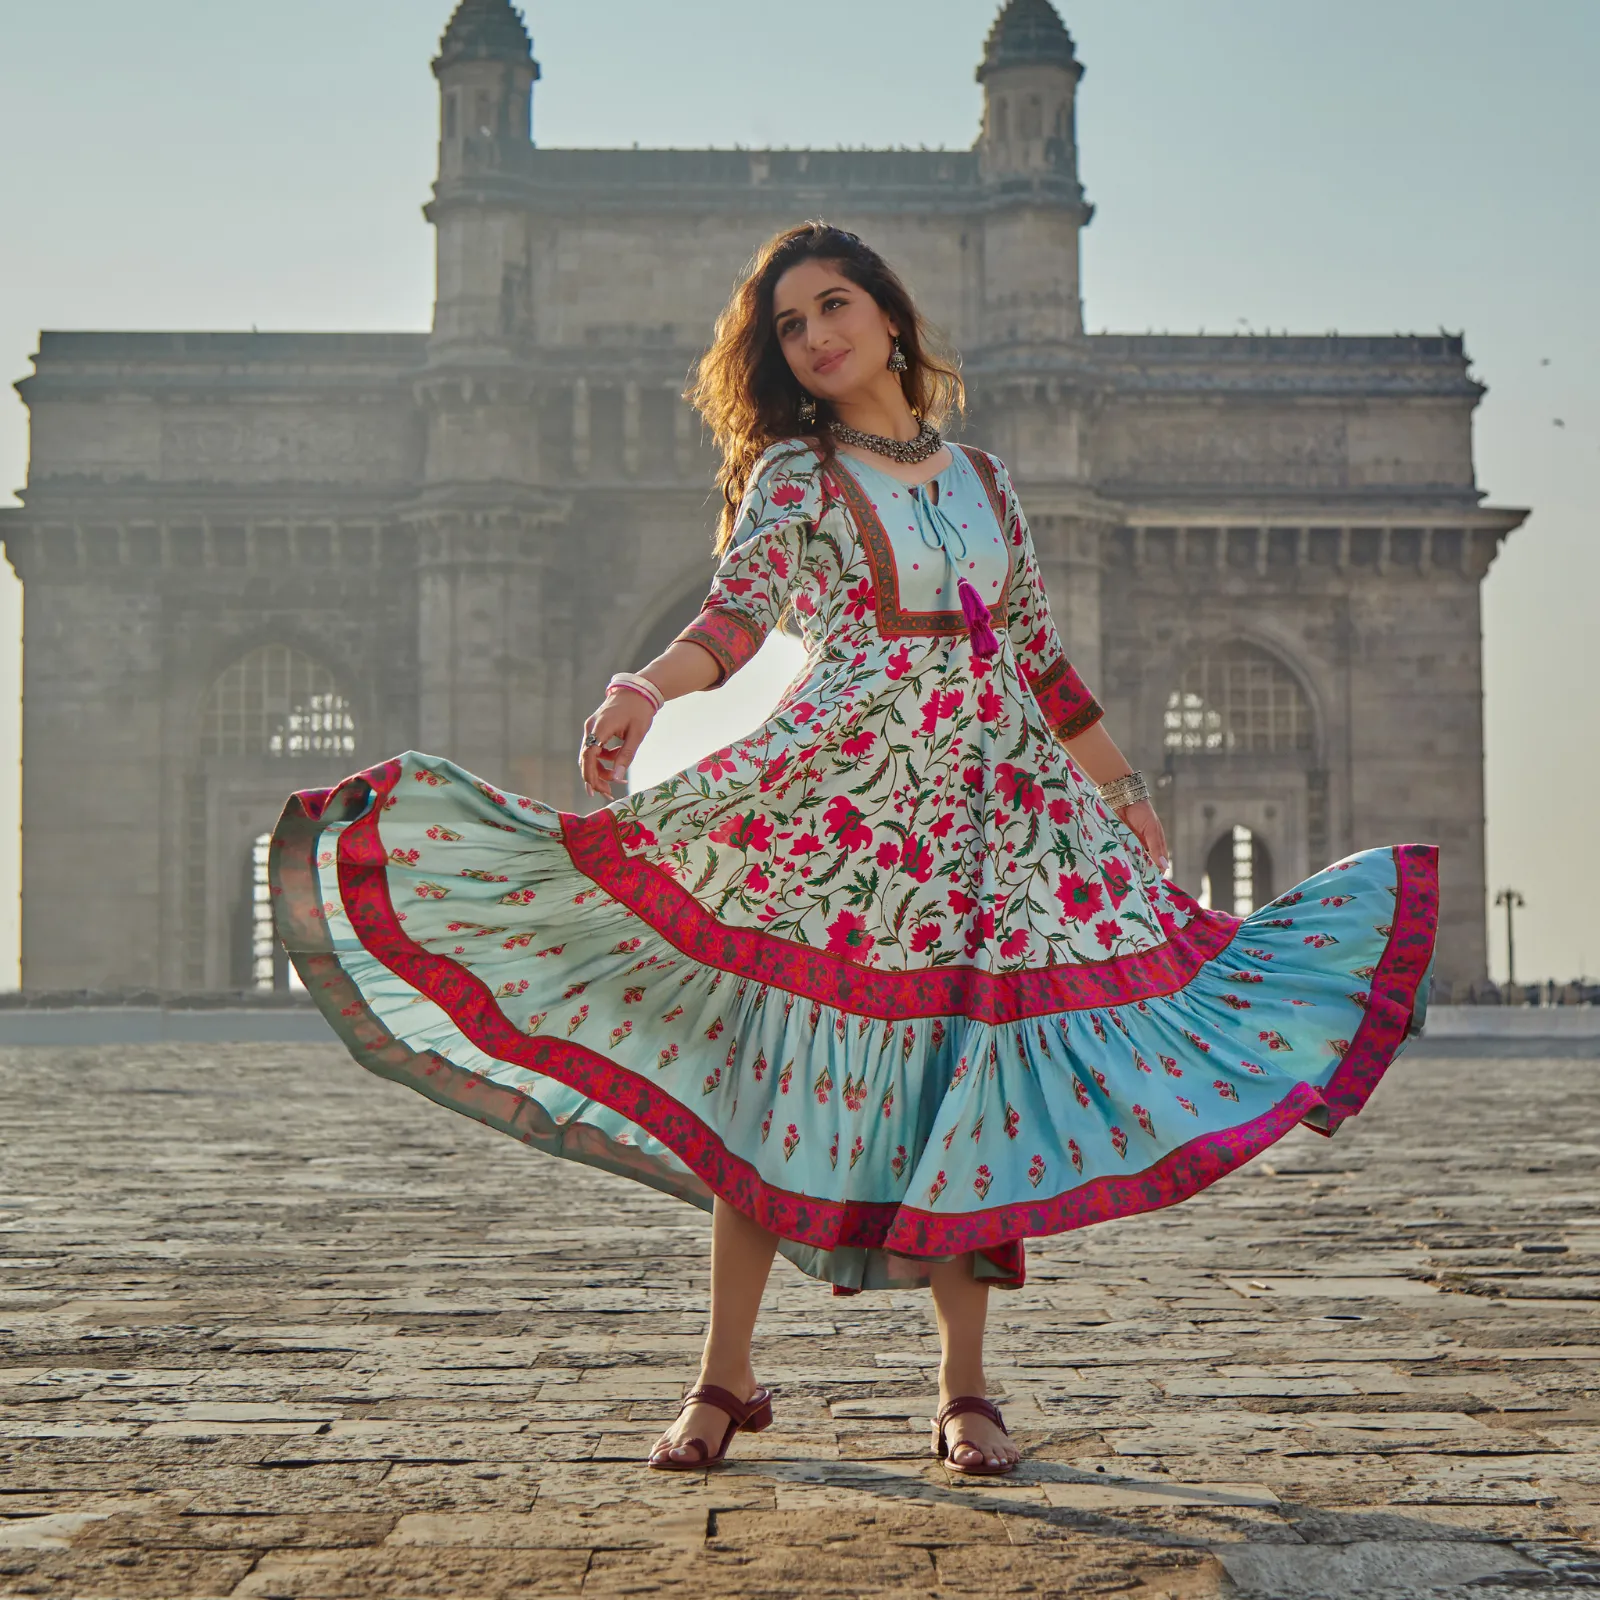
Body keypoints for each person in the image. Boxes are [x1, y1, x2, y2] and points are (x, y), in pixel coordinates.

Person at [272, 221, 1437, 1477]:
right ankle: (723, 1374)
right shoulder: (793, 474)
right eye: (788, 326)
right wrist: (643, 688)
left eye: (834, 307)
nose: (817, 337)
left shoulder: (988, 479)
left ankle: (965, 1387)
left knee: (969, 1075)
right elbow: (735, 612)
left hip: (992, 820)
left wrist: (1126, 790)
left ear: (888, 315)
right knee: (764, 1070)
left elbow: (1037, 657)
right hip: (838, 812)